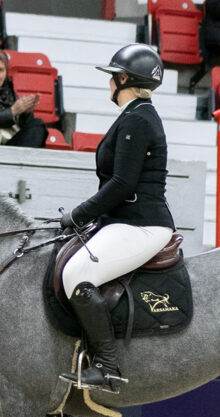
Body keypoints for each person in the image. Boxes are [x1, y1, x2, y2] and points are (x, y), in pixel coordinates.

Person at [57, 44, 176, 393]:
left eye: (113, 77)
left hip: (142, 223)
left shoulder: (138, 119)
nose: (110, 83)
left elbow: (122, 184)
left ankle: (107, 367)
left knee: (77, 274)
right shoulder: (135, 115)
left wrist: (78, 215)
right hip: (124, 219)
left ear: (124, 79)